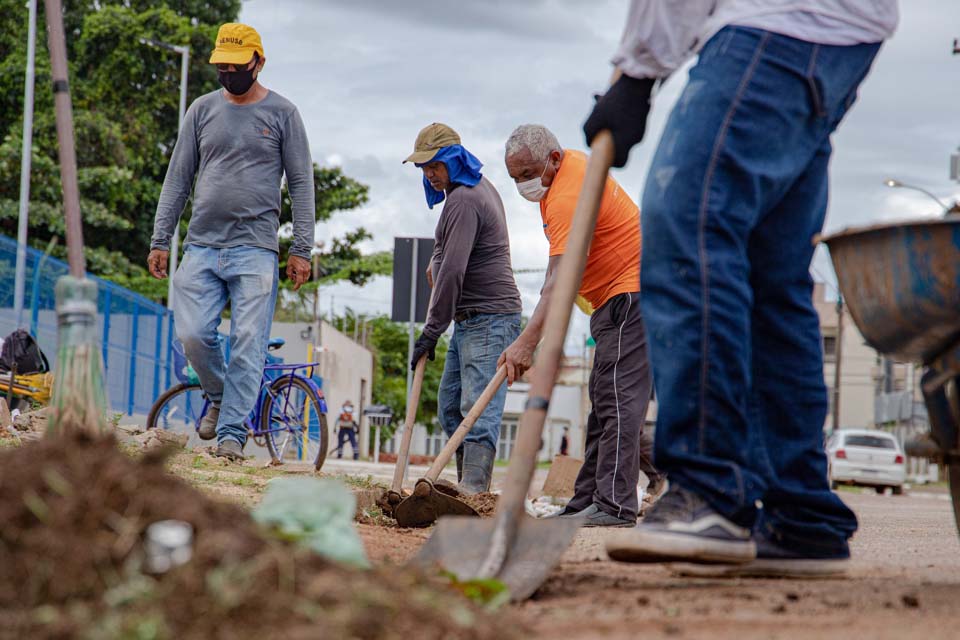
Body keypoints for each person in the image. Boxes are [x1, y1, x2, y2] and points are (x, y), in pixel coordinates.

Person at [582, 1, 897, 575]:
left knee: (687, 225)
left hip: (776, 25)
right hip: (844, 35)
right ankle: (800, 518)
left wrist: (637, 71)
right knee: (767, 275)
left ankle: (710, 489)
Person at [149, 23, 315, 461]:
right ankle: (219, 394)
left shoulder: (283, 114)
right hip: (201, 246)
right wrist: (160, 238)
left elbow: (301, 184)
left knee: (247, 341)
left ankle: (231, 437)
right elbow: (177, 180)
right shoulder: (201, 111)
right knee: (192, 335)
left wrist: (301, 248)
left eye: (236, 66)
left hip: (257, 250)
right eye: (221, 66)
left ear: (258, 63)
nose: (227, 73)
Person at [501, 124, 663, 527]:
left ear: (553, 159)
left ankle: (615, 506)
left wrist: (525, 344)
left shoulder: (568, 194)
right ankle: (587, 501)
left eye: (527, 174)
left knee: (620, 402)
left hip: (632, 294)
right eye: (515, 178)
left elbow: (558, 282)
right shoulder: (562, 177)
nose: (523, 185)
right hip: (611, 301)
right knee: (603, 403)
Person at [404, 123, 522, 494]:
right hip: (468, 319)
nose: (429, 174)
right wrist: (434, 262)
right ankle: (463, 487)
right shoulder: (463, 192)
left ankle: (474, 487)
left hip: (490, 316)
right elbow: (445, 254)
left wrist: (430, 331)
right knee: (451, 405)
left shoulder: (466, 198)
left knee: (477, 405)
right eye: (423, 168)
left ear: (453, 159)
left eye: (434, 166)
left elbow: (453, 271)